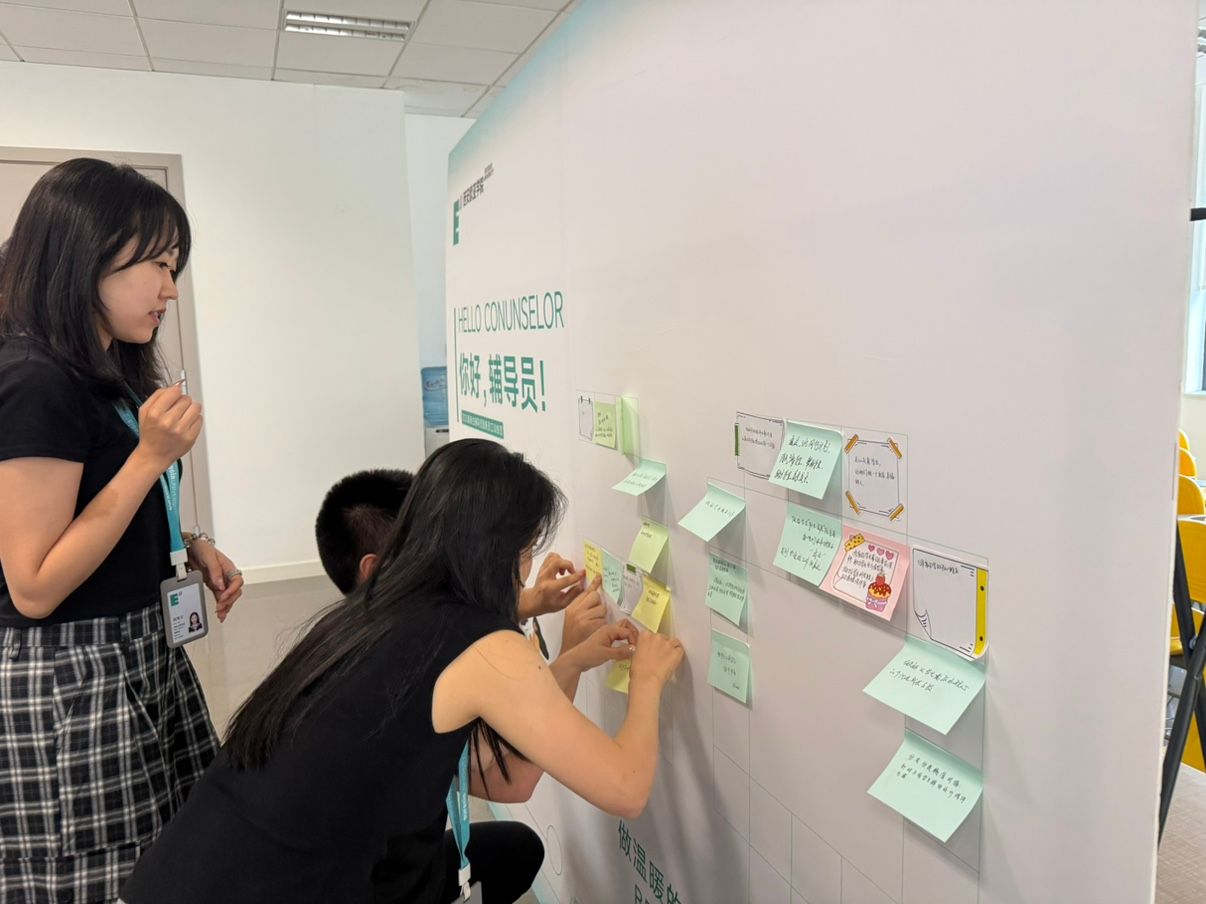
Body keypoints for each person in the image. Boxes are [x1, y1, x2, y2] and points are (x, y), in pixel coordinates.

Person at [121, 439, 683, 904]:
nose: (528, 565)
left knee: (507, 850)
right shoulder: (481, 645)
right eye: (527, 548)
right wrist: (649, 679)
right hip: (292, 886)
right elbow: (626, 787)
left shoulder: (371, 612)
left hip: (184, 878)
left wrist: (572, 657)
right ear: (499, 550)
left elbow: (507, 778)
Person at [0, 158, 244, 903]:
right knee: (109, 877)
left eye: (175, 267)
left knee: (172, 857)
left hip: (140, 653)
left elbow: (100, 497)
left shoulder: (105, 366)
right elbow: (34, 585)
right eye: (158, 266)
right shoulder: (35, 380)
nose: (171, 290)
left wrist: (188, 541)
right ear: (87, 255)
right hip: (75, 677)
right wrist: (149, 458)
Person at [314, 467, 611, 903]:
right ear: (374, 569)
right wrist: (575, 658)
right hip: (374, 886)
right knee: (512, 852)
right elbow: (518, 777)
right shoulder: (408, 682)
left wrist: (529, 602)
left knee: (515, 850)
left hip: (358, 866)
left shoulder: (360, 635)